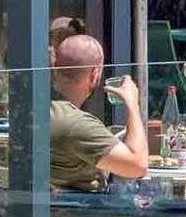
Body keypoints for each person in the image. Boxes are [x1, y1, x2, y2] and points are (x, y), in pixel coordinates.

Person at [48, 32, 151, 187]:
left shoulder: (43, 106)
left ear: (55, 67)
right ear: (95, 74)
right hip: (77, 209)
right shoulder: (76, 123)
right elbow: (137, 166)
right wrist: (132, 104)